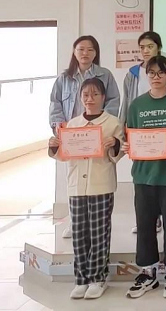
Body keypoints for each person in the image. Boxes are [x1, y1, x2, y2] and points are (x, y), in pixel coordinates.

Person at [123, 55, 166, 300]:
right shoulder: (137, 105)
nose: (156, 77)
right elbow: (131, 135)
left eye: (161, 73)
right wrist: (128, 146)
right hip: (143, 174)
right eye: (151, 73)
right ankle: (147, 271)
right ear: (147, 76)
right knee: (145, 224)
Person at [48, 77, 124, 300]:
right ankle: (81, 279)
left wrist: (115, 145)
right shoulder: (72, 124)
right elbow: (63, 155)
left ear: (103, 97)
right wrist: (54, 147)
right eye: (86, 95)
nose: (90, 99)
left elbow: (118, 154)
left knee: (99, 233)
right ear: (80, 97)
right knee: (79, 234)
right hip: (76, 187)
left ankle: (98, 279)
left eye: (95, 95)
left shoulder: (113, 123)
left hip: (101, 184)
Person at [49, 35, 120, 238]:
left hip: (98, 133)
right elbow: (55, 104)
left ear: (96, 53)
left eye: (90, 49)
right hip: (74, 135)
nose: (85, 53)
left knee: (97, 175)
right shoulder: (64, 78)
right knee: (74, 178)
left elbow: (114, 100)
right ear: (74, 52)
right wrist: (58, 127)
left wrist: (104, 126)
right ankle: (75, 220)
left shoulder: (105, 75)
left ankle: (96, 222)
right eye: (81, 49)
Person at [121, 31, 166, 234]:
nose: (145, 50)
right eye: (142, 47)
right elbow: (126, 103)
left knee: (164, 176)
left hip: (164, 130)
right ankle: (149, 219)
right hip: (140, 134)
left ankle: (163, 216)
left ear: (158, 48)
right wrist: (123, 129)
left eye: (150, 46)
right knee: (143, 178)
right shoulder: (132, 74)